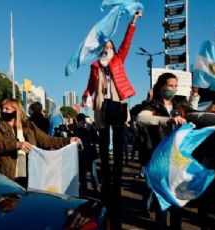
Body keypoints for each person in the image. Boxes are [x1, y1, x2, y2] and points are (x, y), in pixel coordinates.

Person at [136, 73, 215, 229]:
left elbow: (196, 115)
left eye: (175, 86)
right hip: (160, 160)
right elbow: (141, 118)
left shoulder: (180, 106)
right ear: (161, 86)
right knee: (162, 202)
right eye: (170, 85)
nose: (173, 89)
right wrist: (168, 120)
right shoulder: (152, 106)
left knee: (177, 202)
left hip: (177, 160)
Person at [81, 12, 141, 229]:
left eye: (110, 47)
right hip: (100, 107)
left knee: (118, 137)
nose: (107, 49)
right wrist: (86, 94)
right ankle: (106, 174)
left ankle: (116, 173)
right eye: (104, 47)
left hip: (117, 103)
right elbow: (90, 83)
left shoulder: (118, 59)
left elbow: (127, 42)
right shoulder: (95, 66)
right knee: (103, 139)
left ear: (114, 50)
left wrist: (132, 22)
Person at [0, 99, 80, 188]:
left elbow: (47, 140)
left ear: (16, 110)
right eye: (2, 108)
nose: (2, 111)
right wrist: (17, 144)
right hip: (6, 175)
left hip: (29, 175)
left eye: (7, 109)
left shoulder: (29, 126)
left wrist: (68, 140)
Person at [73, 113, 99, 194]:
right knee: (82, 173)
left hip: (90, 154)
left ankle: (95, 188)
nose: (80, 123)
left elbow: (97, 139)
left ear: (84, 121)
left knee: (93, 172)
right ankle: (84, 187)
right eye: (78, 121)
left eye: (81, 121)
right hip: (81, 154)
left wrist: (89, 129)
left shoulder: (91, 128)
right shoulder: (76, 130)